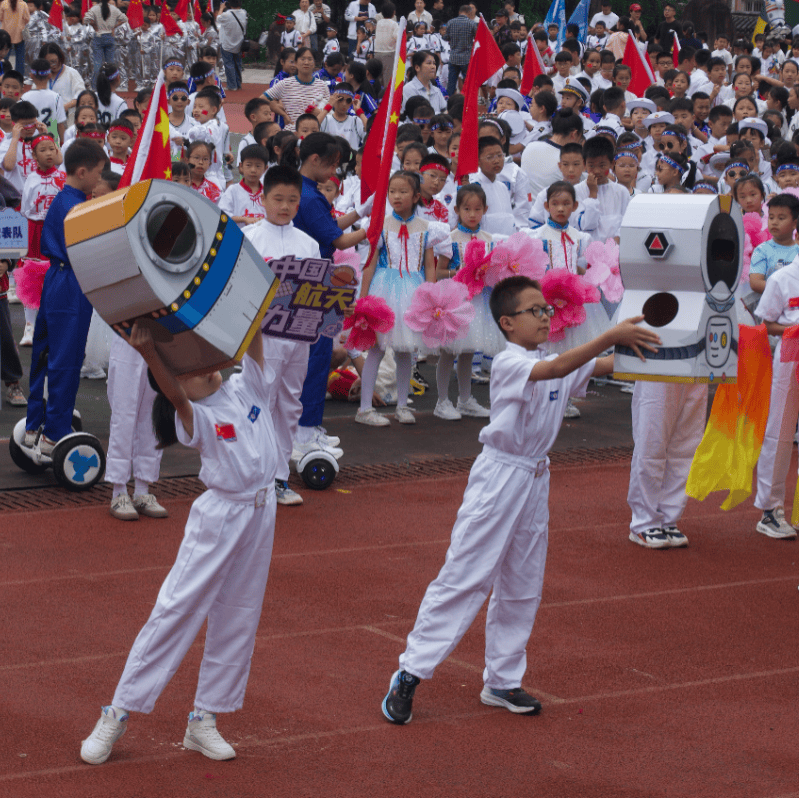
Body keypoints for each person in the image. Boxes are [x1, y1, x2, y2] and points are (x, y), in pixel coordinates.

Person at [381, 275, 659, 724]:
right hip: (499, 475)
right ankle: (410, 672)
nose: (546, 316)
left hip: (535, 476)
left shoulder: (553, 360)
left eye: (547, 309)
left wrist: (672, 349)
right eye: (535, 311)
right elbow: (555, 370)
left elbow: (607, 366)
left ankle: (502, 679)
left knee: (523, 581)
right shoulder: (512, 363)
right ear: (507, 323)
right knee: (465, 574)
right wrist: (609, 334)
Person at [79, 315, 279, 765]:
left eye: (204, 363)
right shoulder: (197, 419)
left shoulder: (248, 390)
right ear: (179, 390)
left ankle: (204, 719)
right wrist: (149, 353)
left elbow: (253, 344)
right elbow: (171, 390)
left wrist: (253, 311)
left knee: (240, 614)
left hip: (260, 515)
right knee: (176, 610)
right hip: (220, 519)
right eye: (187, 372)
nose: (204, 369)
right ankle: (118, 710)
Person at [243, 164, 322, 506]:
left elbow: (319, 290)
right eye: (278, 198)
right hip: (263, 336)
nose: (285, 206)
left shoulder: (307, 242)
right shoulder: (249, 238)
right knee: (260, 400)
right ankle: (251, 475)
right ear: (263, 199)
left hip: (298, 334)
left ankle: (279, 477)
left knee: (290, 404)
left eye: (292, 200)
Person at [24, 139, 107, 455]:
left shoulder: (63, 198)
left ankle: (36, 425)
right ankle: (54, 434)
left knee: (46, 353)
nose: (99, 181)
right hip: (72, 281)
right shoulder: (78, 207)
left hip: (56, 278)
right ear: (83, 172)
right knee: (66, 359)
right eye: (98, 175)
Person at [355, 170, 441, 426]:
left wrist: (431, 295)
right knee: (377, 348)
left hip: (413, 289)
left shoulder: (427, 228)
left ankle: (403, 405)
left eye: (403, 192)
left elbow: (429, 266)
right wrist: (363, 297)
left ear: (416, 196)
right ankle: (364, 408)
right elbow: (370, 263)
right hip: (384, 288)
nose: (396, 196)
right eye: (392, 191)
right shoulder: (380, 224)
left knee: (406, 351)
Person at [751, 194, 799, 540]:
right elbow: (764, 324)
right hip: (790, 358)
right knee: (779, 434)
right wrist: (792, 330)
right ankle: (770, 510)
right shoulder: (783, 278)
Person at [434, 184, 502, 421]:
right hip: (455, 300)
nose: (472, 214)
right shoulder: (449, 239)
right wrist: (461, 272)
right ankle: (442, 401)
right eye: (467, 209)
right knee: (449, 351)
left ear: (485, 209)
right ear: (457, 209)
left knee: (468, 351)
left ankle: (465, 400)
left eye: (477, 209)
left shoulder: (489, 239)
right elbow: (439, 271)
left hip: (479, 301)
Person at [264, 46, 330, 132]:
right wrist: (283, 114)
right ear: (296, 62)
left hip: (314, 137)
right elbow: (263, 100)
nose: (306, 62)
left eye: (310, 59)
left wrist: (320, 113)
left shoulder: (322, 86)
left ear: (314, 63)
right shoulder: (285, 84)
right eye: (302, 59)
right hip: (291, 136)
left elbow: (330, 114)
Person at [83, 0, 127, 87]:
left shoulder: (95, 8)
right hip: (110, 35)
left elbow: (85, 19)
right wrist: (114, 26)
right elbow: (124, 18)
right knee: (110, 63)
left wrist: (94, 25)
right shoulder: (113, 8)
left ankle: (95, 86)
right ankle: (111, 84)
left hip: (98, 36)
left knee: (97, 63)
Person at [38, 43, 87, 117]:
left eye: (54, 61)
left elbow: (82, 95)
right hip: (47, 119)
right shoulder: (41, 76)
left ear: (60, 57)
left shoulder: (71, 73)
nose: (52, 65)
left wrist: (66, 106)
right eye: (48, 63)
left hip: (68, 117)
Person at [445, 5, 477, 98]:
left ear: (460, 12)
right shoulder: (471, 23)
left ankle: (448, 103)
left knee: (451, 83)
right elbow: (477, 38)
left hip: (453, 57)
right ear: (469, 13)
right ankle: (468, 101)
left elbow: (446, 37)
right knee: (468, 83)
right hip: (466, 58)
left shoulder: (450, 22)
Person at [216, 0, 247, 92]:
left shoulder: (227, 14)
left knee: (229, 65)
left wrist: (221, 8)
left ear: (229, 4)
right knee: (237, 64)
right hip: (239, 44)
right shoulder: (244, 12)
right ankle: (238, 84)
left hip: (227, 44)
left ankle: (232, 85)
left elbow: (218, 18)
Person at [403, 50, 447, 115]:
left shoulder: (437, 90)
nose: (433, 67)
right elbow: (419, 116)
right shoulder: (408, 89)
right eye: (429, 63)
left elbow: (445, 111)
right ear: (417, 67)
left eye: (434, 63)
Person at [0, 0, 30, 75]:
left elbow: (0, 18)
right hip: (19, 35)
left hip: (5, 36)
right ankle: (19, 78)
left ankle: (3, 75)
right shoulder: (23, 4)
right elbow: (27, 19)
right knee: (20, 60)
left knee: (3, 57)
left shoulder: (4, 3)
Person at [373, 1, 399, 81]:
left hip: (377, 52)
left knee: (378, 77)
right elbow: (397, 37)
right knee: (387, 78)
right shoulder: (394, 24)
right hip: (389, 53)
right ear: (393, 12)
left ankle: (377, 93)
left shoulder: (379, 23)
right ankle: (385, 93)